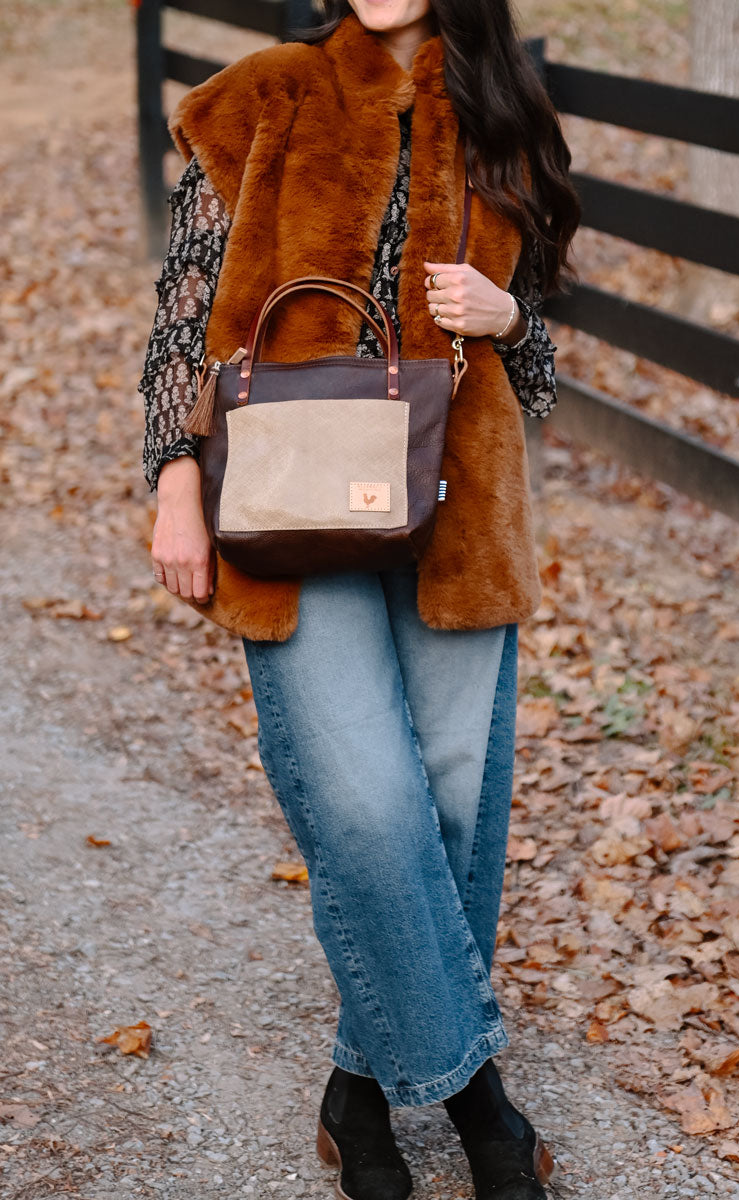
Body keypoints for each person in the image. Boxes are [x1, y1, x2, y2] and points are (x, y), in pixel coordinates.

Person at [138, 1, 580, 1196]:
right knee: (371, 810)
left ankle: (355, 1092)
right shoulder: (264, 95)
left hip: (457, 518)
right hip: (289, 509)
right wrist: (173, 479)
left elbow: (537, 374)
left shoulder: (505, 114)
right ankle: (485, 1105)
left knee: (446, 821)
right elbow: (182, 317)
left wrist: (508, 319)